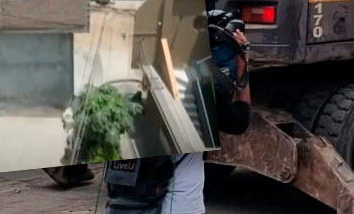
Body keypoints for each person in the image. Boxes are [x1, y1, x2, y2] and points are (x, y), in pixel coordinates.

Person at [103, 19, 252, 214]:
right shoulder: (196, 86)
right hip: (178, 201)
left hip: (124, 200)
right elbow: (239, 122)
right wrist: (242, 61)